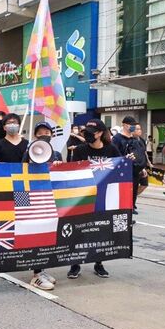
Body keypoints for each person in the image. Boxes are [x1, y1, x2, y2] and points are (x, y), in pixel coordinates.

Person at [68, 119, 121, 279]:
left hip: (104, 197)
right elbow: (72, 170)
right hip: (83, 197)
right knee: (79, 231)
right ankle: (75, 264)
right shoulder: (80, 150)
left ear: (100, 133)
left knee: (101, 230)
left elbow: (120, 168)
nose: (89, 136)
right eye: (87, 133)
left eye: (92, 132)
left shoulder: (111, 150)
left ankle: (99, 263)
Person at [19, 122, 62, 290]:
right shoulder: (28, 152)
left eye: (47, 131)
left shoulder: (56, 154)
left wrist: (57, 166)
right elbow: (20, 173)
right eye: (40, 132)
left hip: (48, 199)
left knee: (48, 234)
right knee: (35, 233)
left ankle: (42, 268)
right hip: (31, 198)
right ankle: (36, 274)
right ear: (35, 136)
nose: (44, 134)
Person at [112, 116, 146, 215]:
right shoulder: (117, 139)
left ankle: (130, 212)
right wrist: (124, 158)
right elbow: (114, 155)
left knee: (133, 192)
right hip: (122, 171)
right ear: (125, 125)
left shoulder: (134, 139)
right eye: (132, 125)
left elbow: (139, 154)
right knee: (123, 193)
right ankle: (123, 214)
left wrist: (142, 167)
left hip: (134, 170)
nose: (134, 127)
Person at [134, 124, 153, 199]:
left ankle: (132, 197)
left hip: (143, 166)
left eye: (140, 129)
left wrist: (149, 162)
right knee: (134, 185)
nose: (139, 131)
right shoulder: (131, 140)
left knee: (144, 184)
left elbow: (144, 152)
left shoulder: (141, 140)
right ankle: (131, 200)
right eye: (137, 129)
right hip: (136, 167)